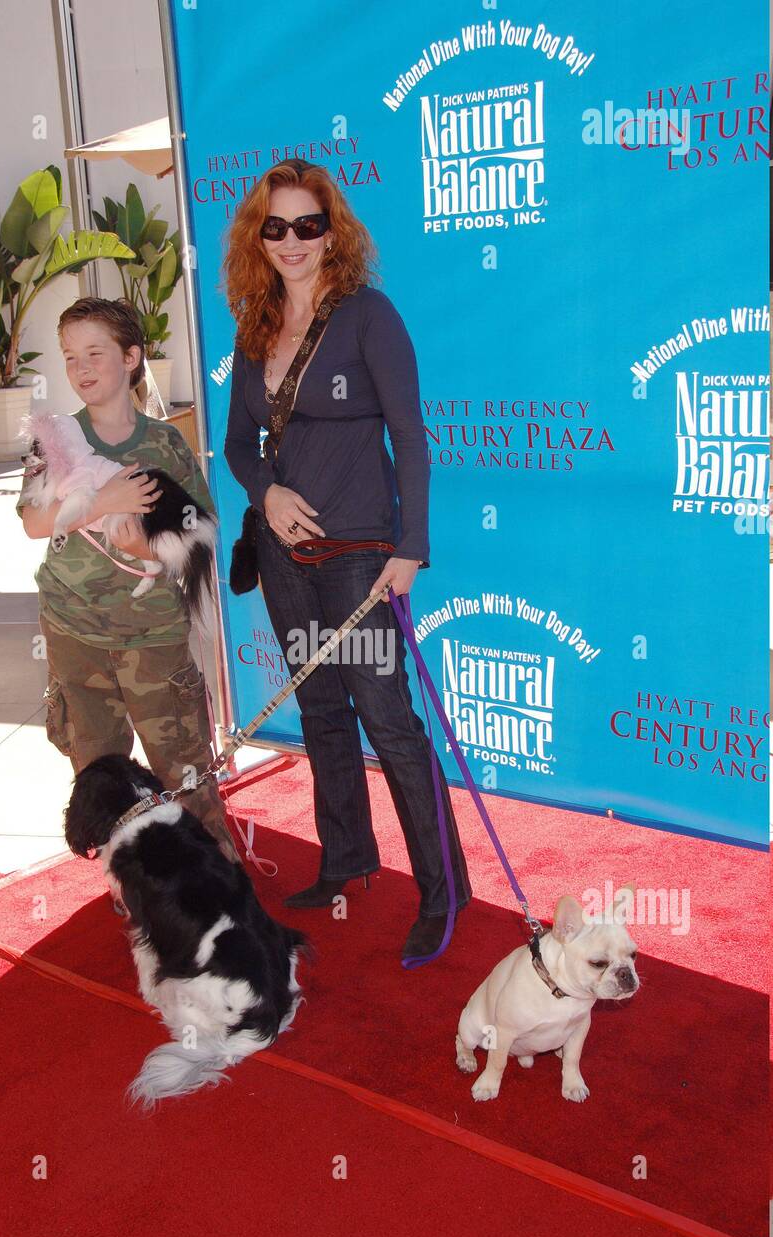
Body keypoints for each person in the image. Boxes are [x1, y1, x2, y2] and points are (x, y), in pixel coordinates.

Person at [222, 159, 471, 960]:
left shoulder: (369, 316)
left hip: (360, 555)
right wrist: (265, 494)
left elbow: (411, 437)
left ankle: (444, 890)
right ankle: (346, 858)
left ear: (333, 232)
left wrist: (412, 546)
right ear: (257, 238)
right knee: (320, 710)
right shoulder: (254, 323)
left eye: (308, 225)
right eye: (276, 227)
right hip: (283, 554)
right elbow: (235, 441)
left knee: (388, 721)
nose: (292, 241)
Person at [17, 296, 239, 865]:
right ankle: (133, 882)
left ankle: (218, 882)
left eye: (96, 352)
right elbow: (34, 521)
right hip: (73, 631)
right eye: (71, 357)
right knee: (100, 774)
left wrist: (141, 543)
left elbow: (200, 537)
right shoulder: (56, 438)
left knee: (185, 769)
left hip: (153, 637)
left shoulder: (164, 443)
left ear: (132, 357)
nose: (83, 368)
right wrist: (104, 502)